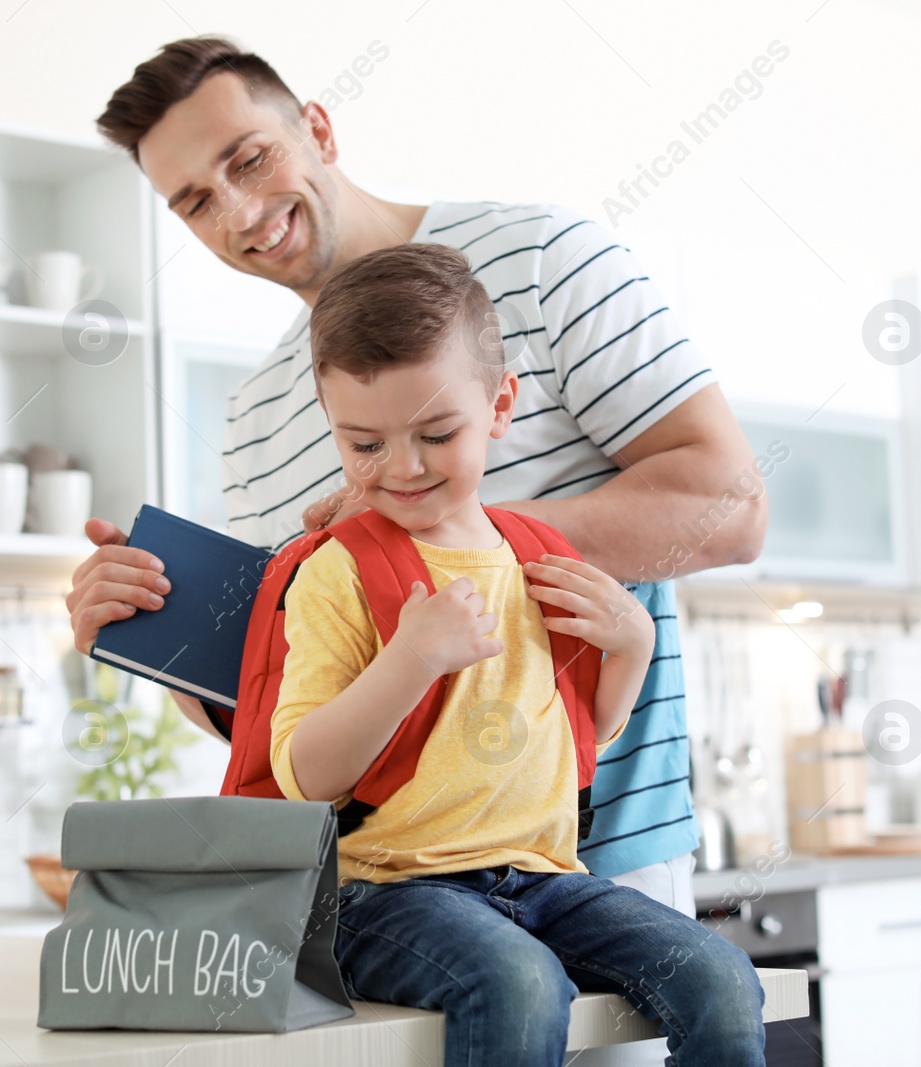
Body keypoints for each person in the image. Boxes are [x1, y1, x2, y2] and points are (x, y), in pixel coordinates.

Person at [67, 37, 766, 924]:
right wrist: (153, 637)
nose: (240, 213)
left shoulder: (546, 259)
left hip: (599, 854)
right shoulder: (251, 419)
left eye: (250, 159)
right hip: (390, 895)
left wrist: (435, 527)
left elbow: (734, 508)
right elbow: (282, 718)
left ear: (319, 127)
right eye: (197, 202)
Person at [263, 239, 764, 1064]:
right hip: (386, 893)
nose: (404, 466)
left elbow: (579, 741)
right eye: (365, 444)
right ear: (332, 425)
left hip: (542, 879)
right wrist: (411, 658)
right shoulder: (339, 572)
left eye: (436, 432)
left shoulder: (536, 553)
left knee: (719, 976)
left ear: (500, 407)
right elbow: (307, 773)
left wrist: (632, 648)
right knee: (519, 983)